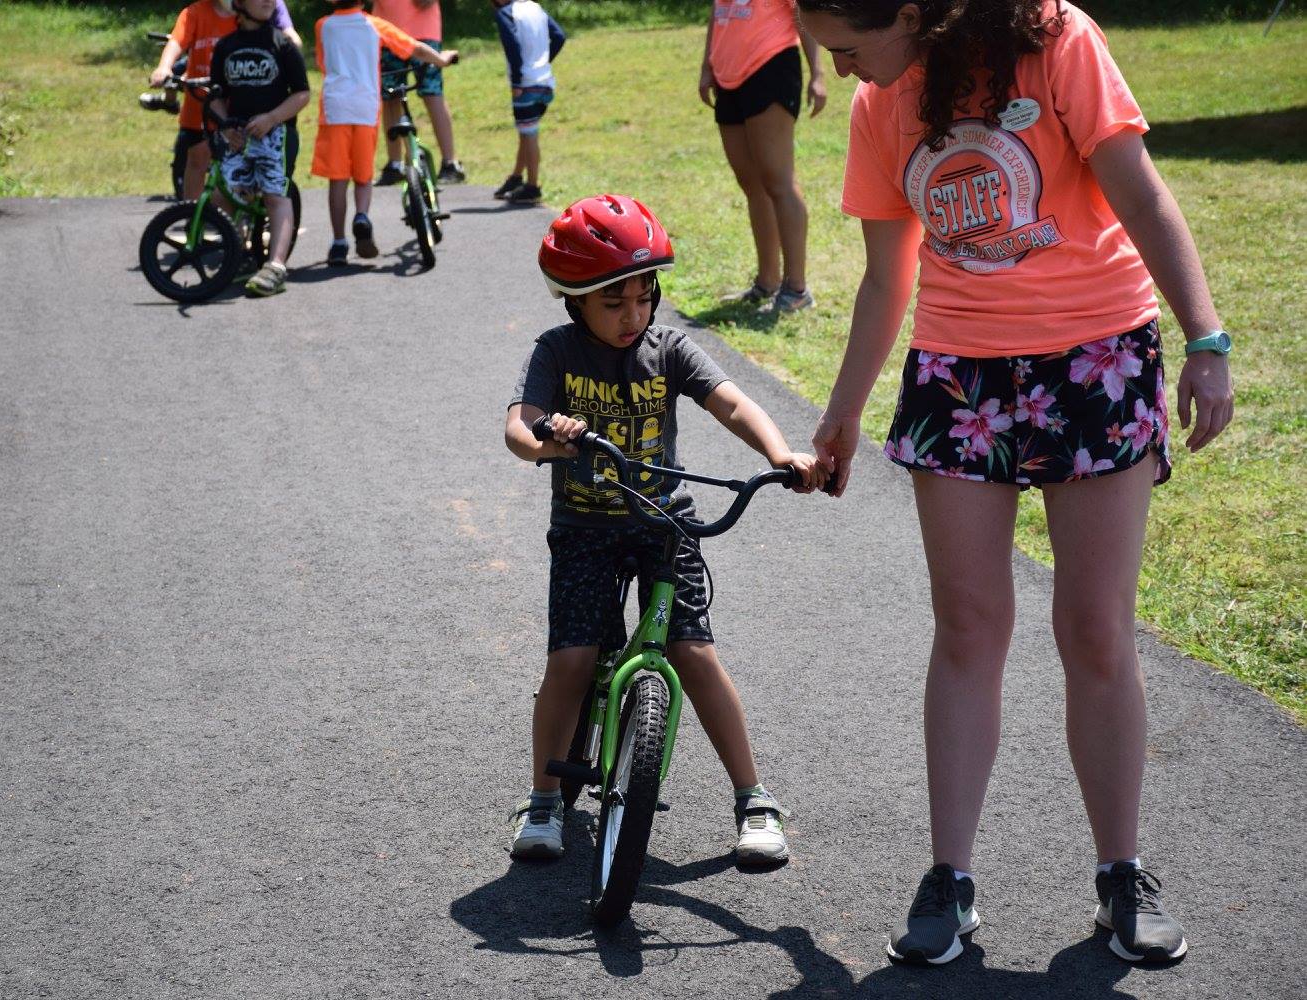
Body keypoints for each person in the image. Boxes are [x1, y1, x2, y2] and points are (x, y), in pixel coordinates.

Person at [798, 0, 1234, 967]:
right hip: (961, 373)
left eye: (849, 49)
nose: (848, 73)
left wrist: (1204, 338)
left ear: (909, 12)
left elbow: (1140, 191)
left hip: (1096, 357)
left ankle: (1122, 874)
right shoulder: (880, 108)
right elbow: (886, 278)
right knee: (967, 624)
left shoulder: (1051, 39)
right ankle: (949, 880)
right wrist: (842, 412)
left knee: (1093, 625)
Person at [504, 195, 829, 863]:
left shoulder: (668, 348)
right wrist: (549, 441)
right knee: (571, 660)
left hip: (661, 525)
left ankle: (754, 799)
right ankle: (542, 802)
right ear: (575, 300)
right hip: (585, 528)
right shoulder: (557, 352)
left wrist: (780, 454)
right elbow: (519, 424)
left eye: (644, 298)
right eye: (613, 302)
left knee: (694, 654)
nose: (634, 315)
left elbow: (731, 402)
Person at [700, 1, 828, 314]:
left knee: (778, 181)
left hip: (770, 66)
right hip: (728, 75)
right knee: (751, 184)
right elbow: (718, 14)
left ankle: (796, 289)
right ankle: (767, 282)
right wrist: (706, 68)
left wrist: (818, 73)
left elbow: (803, 12)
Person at [313, 0, 457, 265]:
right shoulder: (374, 25)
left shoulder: (323, 26)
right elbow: (414, 48)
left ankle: (338, 243)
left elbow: (322, 63)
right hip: (365, 107)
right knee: (363, 175)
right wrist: (442, 59)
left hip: (335, 109)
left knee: (338, 178)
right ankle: (362, 217)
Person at [150, 0, 305, 201]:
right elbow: (177, 41)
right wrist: (164, 67)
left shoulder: (245, 16)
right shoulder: (195, 13)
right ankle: (193, 215)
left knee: (243, 165)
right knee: (196, 159)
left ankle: (245, 216)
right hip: (200, 102)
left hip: (233, 105)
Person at [209, 0, 310, 296]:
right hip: (238, 134)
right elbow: (217, 95)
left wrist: (272, 118)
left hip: (276, 134)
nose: (268, 1)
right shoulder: (226, 46)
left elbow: (302, 94)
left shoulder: (283, 45)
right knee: (224, 194)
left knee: (274, 195)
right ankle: (235, 252)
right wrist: (227, 127)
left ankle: (276, 266)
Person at [373, 0, 465, 186]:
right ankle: (395, 164)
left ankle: (450, 163)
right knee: (390, 96)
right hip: (386, 31)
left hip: (424, 31)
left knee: (432, 92)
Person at [489, 0, 565, 204]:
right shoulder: (535, 7)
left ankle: (532, 186)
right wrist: (543, 64)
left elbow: (512, 46)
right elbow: (559, 36)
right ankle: (516, 177)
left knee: (529, 134)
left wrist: (516, 80)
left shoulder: (506, 13)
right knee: (526, 131)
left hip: (525, 84)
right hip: (546, 82)